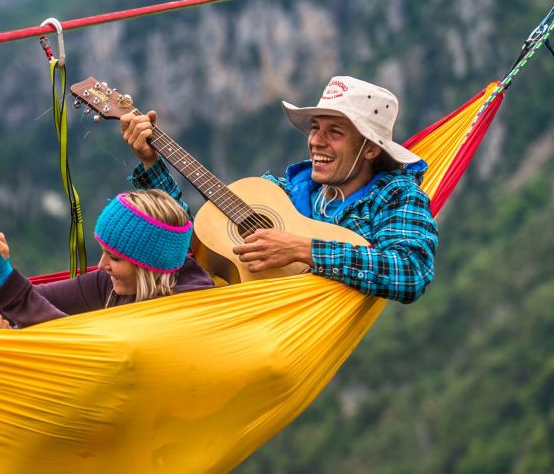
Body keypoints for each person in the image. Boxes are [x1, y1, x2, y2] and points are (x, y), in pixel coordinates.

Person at [119, 76, 438, 304]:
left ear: (369, 150)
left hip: (302, 342)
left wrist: (302, 249)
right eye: (315, 128)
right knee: (113, 286)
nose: (316, 141)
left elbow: (410, 271)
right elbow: (191, 246)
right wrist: (152, 166)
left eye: (335, 131)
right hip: (226, 316)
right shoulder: (276, 193)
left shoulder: (396, 196)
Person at [0, 189, 215, 328]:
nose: (102, 265)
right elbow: (36, 302)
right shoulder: (112, 285)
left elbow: (84, 347)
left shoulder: (189, 310)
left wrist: (3, 277)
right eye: (103, 251)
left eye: (115, 258)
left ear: (148, 266)